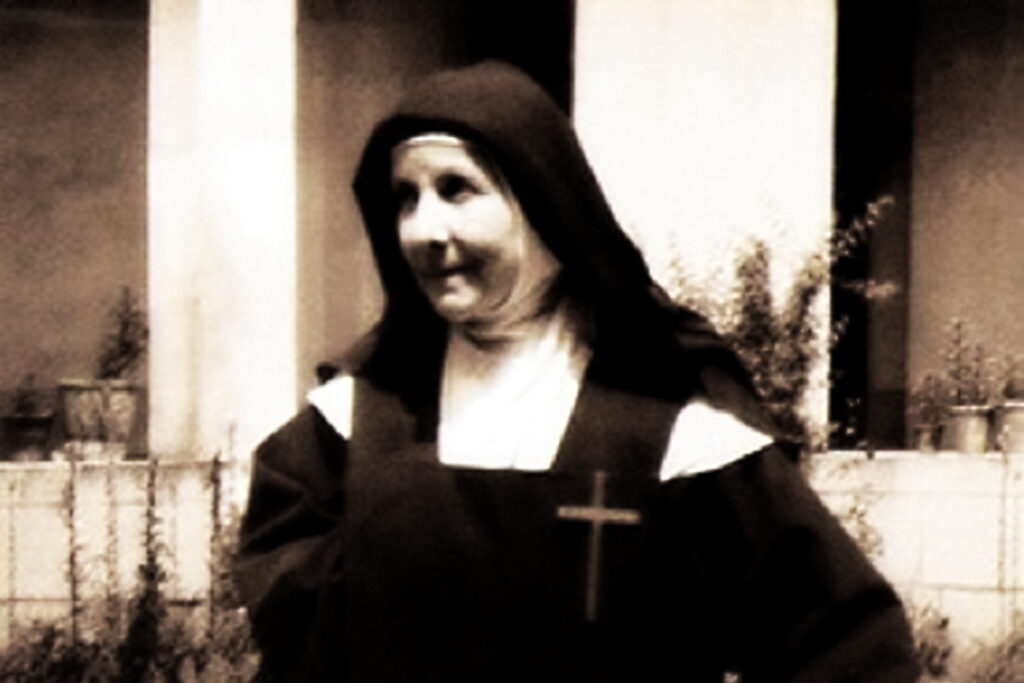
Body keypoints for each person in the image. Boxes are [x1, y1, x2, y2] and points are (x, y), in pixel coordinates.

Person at [234, 61, 919, 682]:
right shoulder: (358, 419)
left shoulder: (671, 425)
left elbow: (847, 643)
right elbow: (291, 617)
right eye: (406, 197)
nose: (422, 229)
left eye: (456, 189)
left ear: (541, 207)